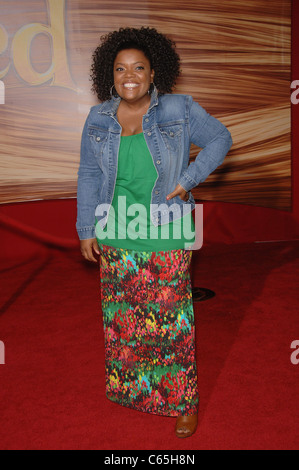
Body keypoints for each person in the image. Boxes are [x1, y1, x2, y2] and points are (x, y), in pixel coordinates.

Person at [76, 26, 232, 438]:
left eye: (138, 68)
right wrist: (87, 228)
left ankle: (183, 402)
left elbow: (220, 137)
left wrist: (189, 178)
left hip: (164, 230)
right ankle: (135, 391)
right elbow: (90, 173)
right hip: (116, 231)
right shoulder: (98, 116)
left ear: (152, 73)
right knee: (125, 319)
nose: (130, 76)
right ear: (109, 75)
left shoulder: (177, 109)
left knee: (170, 321)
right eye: (120, 68)